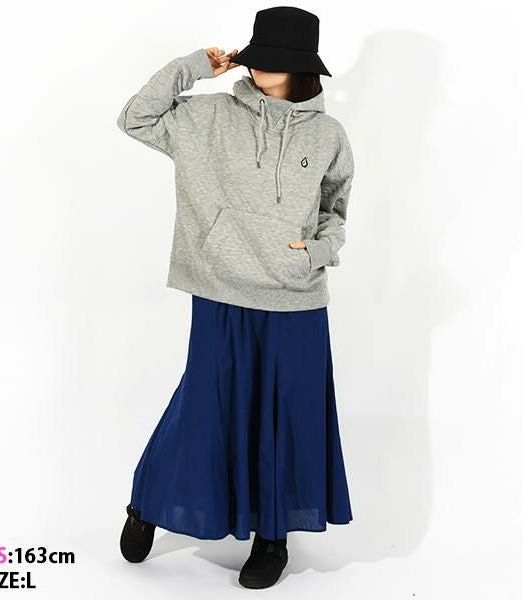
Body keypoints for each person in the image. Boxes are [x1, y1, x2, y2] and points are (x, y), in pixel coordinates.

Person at [115, 7, 354, 589]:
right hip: (222, 287)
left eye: (273, 58)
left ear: (301, 66)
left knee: (289, 416)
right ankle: (149, 503)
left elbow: (335, 209)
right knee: (205, 407)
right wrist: (194, 67)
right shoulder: (207, 117)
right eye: (256, 54)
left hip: (296, 297)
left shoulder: (328, 135)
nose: (257, 65)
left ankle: (273, 538)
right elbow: (135, 118)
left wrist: (318, 251)